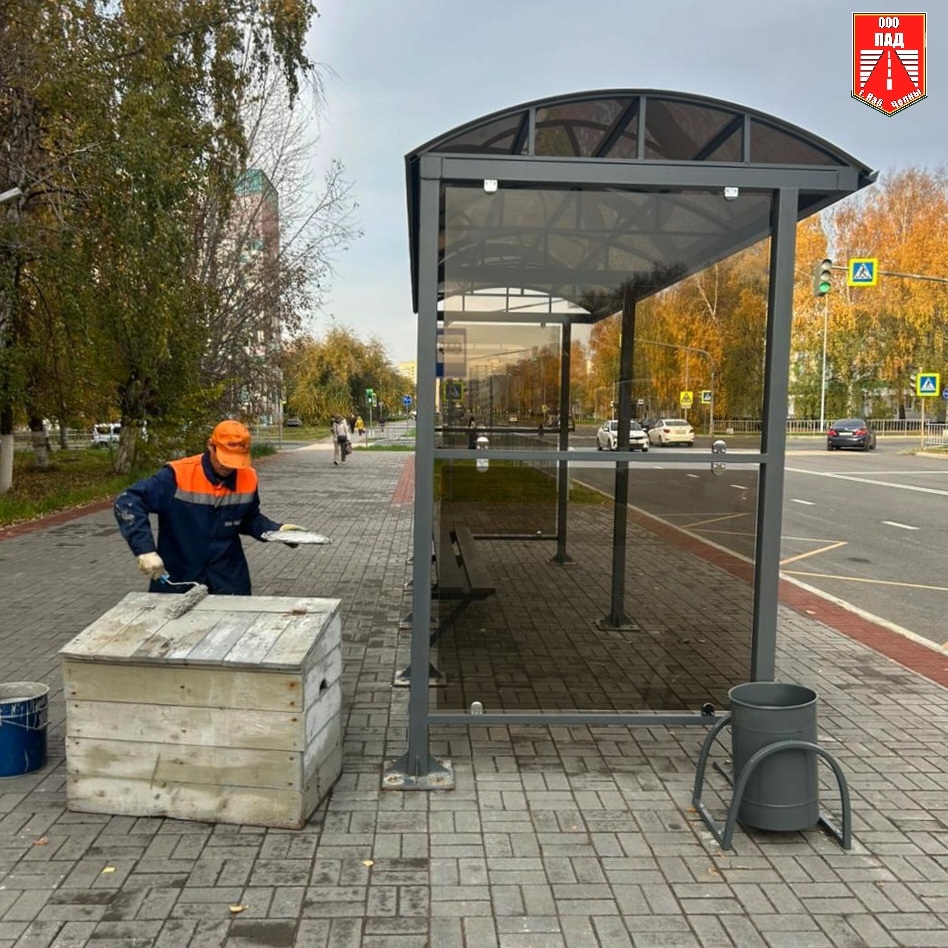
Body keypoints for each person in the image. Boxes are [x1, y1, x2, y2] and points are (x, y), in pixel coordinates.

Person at [114, 420, 305, 595]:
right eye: (225, 458)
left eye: (235, 460)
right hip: (179, 579)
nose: (228, 466)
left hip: (228, 580)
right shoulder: (178, 475)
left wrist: (277, 530)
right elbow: (128, 502)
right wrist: (145, 549)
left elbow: (249, 519)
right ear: (210, 446)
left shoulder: (248, 478)